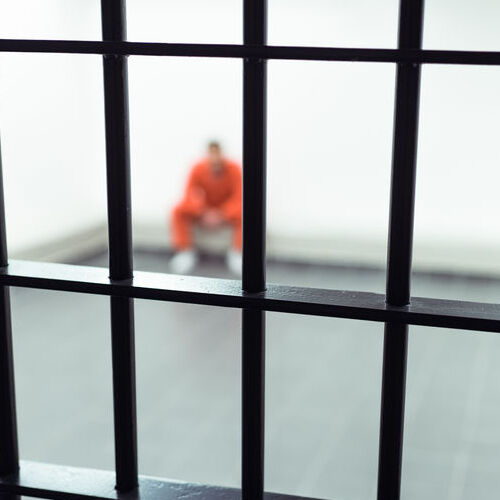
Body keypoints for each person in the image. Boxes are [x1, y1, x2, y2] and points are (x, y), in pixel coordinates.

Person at [169, 141, 242, 275]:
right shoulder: (197, 168)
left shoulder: (234, 169)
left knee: (246, 213)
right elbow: (190, 193)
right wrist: (202, 211)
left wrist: (222, 213)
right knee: (178, 210)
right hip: (204, 210)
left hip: (225, 210)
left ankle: (238, 252)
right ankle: (185, 251)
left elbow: (238, 197)